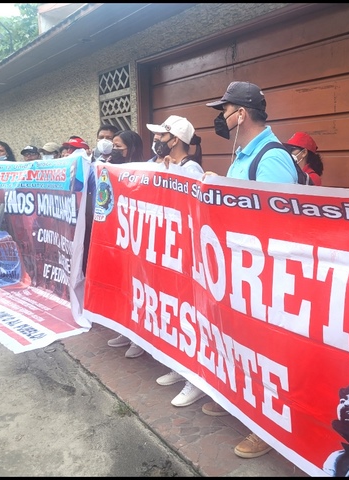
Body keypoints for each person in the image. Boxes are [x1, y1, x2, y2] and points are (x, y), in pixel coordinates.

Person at [201, 80, 297, 459]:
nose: (221, 118)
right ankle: (241, 402)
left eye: (224, 111)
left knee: (267, 349)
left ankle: (267, 427)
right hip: (241, 269)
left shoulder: (271, 158)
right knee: (241, 342)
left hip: (265, 275)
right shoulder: (242, 156)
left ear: (241, 114)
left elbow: (280, 225)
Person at [143, 115, 207, 406]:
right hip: (168, 251)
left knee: (190, 315)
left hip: (186, 255)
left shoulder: (191, 169)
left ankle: (196, 379)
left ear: (175, 140)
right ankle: (180, 367)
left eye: (161, 136)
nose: (156, 140)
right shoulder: (162, 164)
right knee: (175, 313)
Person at [104, 129, 146, 358]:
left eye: (118, 146)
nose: (114, 150)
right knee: (123, 290)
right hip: (119, 238)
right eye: (113, 146)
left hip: (137, 242)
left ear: (131, 148)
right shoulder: (111, 168)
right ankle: (126, 330)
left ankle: (139, 338)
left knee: (138, 291)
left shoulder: (145, 170)